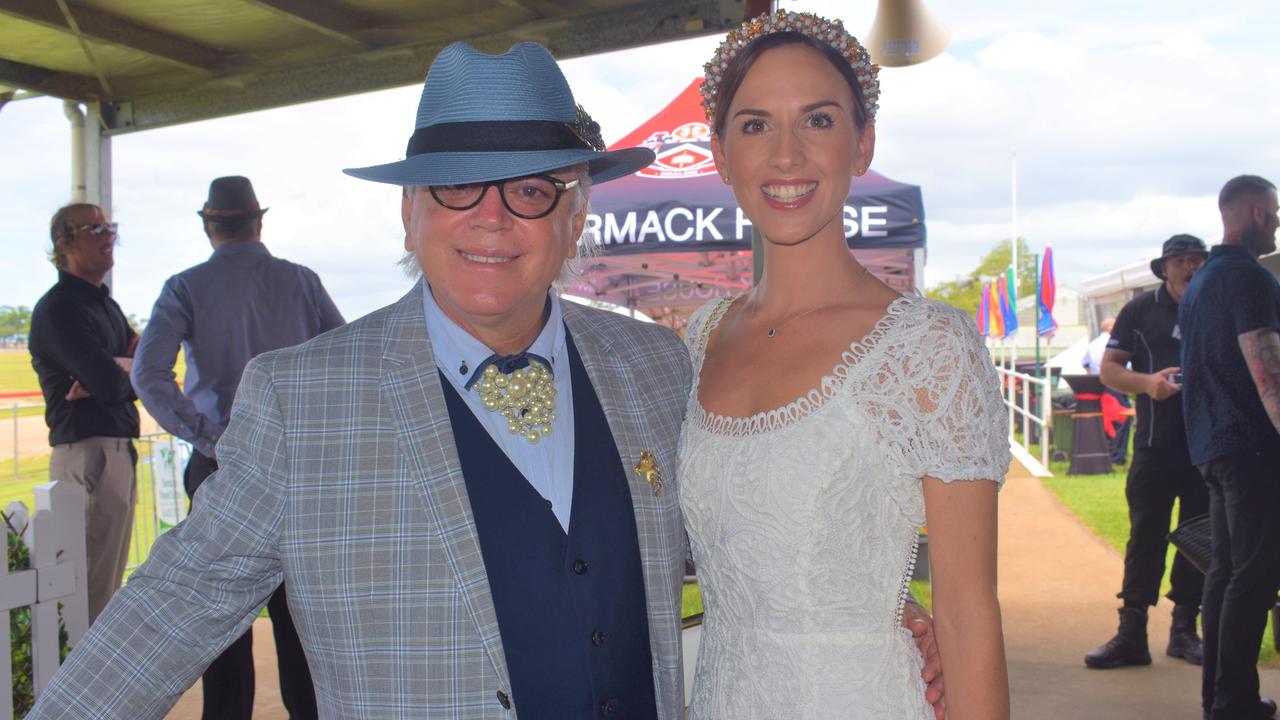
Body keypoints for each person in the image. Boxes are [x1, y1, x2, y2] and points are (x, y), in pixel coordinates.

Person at [27, 41, 943, 719]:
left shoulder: (651, 368)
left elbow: (725, 522)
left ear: (574, 214)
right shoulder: (302, 401)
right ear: (411, 212)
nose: (495, 220)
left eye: (532, 188)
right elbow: (175, 600)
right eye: (459, 187)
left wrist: (866, 602)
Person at [677, 11, 1008, 719]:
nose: (787, 156)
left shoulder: (930, 349)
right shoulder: (699, 337)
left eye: (819, 121)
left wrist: (891, 607)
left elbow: (969, 613)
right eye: (756, 124)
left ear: (862, 145)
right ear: (720, 153)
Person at [131, 176, 344, 719]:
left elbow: (149, 374)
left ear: (209, 226)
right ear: (259, 222)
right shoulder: (300, 281)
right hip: (297, 468)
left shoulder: (184, 286)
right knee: (302, 628)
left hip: (221, 467)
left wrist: (208, 437)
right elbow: (344, 364)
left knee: (220, 627)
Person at [1179, 174, 1280, 720]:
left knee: (1224, 573)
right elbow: (1267, 371)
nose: (1278, 225)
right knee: (1255, 576)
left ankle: (1218, 699)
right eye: (1277, 214)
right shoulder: (1250, 279)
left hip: (1212, 447)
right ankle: (1235, 702)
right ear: (1259, 214)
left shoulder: (1201, 283)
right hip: (1252, 449)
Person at [1085, 234, 1209, 670]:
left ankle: (1184, 631)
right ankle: (1132, 633)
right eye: (1181, 261)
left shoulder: (1213, 305)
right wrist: (1149, 384)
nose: (1190, 268)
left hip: (1207, 448)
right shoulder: (1140, 310)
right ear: (1165, 267)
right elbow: (1110, 370)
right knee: (1145, 538)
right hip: (1155, 447)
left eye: (1197, 259)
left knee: (1200, 540)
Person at [29, 203, 140, 624]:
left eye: (110, 226)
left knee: (105, 592)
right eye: (95, 228)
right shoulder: (60, 309)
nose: (108, 235)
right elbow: (114, 386)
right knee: (83, 603)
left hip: (116, 452)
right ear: (64, 241)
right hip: (88, 455)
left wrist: (123, 367)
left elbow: (145, 363)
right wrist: (122, 371)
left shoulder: (104, 305)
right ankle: (77, 690)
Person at [1084, 317, 1133, 464]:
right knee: (1121, 420)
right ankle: (1117, 457)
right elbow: (1129, 367)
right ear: (1111, 329)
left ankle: (1105, 452)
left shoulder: (1093, 344)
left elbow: (1085, 363)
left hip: (1098, 388)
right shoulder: (1116, 344)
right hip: (1116, 388)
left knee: (1104, 422)